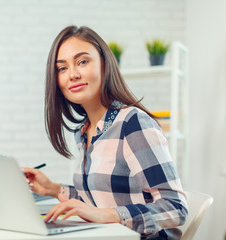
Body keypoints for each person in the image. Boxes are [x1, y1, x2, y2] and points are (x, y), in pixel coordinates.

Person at [22, 25, 188, 239]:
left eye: (82, 61)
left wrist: (110, 215)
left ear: (104, 65)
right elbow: (99, 199)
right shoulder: (85, 130)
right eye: (62, 68)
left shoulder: (132, 123)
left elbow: (176, 208)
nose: (72, 74)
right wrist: (52, 189)